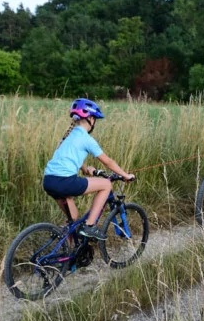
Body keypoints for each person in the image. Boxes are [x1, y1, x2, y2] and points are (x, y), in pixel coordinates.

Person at [42, 98, 135, 240]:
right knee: (106, 185)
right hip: (64, 181)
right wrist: (125, 175)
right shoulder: (86, 139)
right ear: (91, 118)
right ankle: (90, 226)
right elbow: (108, 162)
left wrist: (86, 168)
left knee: (72, 220)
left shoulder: (68, 136)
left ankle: (65, 256)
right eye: (95, 119)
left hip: (49, 181)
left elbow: (66, 159)